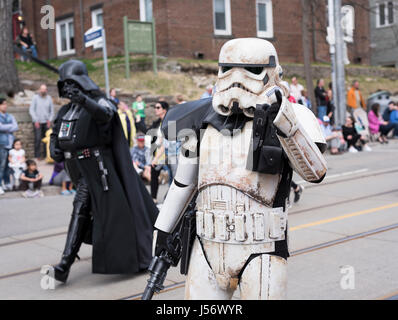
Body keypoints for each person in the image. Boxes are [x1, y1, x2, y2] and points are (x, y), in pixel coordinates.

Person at [149, 38, 327, 300]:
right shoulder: (199, 118)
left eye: (251, 70)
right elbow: (184, 183)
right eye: (228, 69)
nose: (237, 79)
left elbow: (315, 172)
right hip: (207, 246)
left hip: (262, 249)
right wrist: (162, 230)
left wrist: (285, 122)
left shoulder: (294, 116)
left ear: (273, 74)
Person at [46, 60, 158, 284]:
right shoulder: (66, 110)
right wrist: (54, 147)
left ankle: (65, 264)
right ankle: (67, 262)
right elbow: (56, 132)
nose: (68, 89)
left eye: (71, 83)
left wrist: (85, 100)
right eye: (64, 85)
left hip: (97, 170)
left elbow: (105, 114)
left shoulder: (98, 102)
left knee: (80, 210)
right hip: (77, 171)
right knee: (84, 213)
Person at [148, 101, 169, 203]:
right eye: (155, 107)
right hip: (158, 153)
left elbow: (167, 142)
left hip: (168, 153)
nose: (155, 109)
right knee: (154, 174)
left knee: (173, 177)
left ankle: (168, 199)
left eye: (158, 107)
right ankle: (153, 198)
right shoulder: (156, 123)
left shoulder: (170, 122)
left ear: (164, 110)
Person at [29, 84, 54, 160]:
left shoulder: (49, 98)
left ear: (46, 90)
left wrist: (50, 120)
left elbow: (52, 111)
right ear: (39, 90)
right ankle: (37, 156)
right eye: (42, 89)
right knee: (38, 139)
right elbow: (31, 110)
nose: (43, 90)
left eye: (45, 89)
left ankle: (47, 156)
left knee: (47, 140)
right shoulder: (35, 98)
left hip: (47, 122)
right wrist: (35, 120)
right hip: (38, 122)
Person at [0, 98, 18, 195]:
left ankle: (6, 183)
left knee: (8, 165)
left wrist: (5, 127)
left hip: (10, 144)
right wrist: (9, 127)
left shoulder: (10, 116)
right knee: (1, 166)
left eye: (6, 104)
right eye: (3, 104)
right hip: (1, 144)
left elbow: (16, 126)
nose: (5, 106)